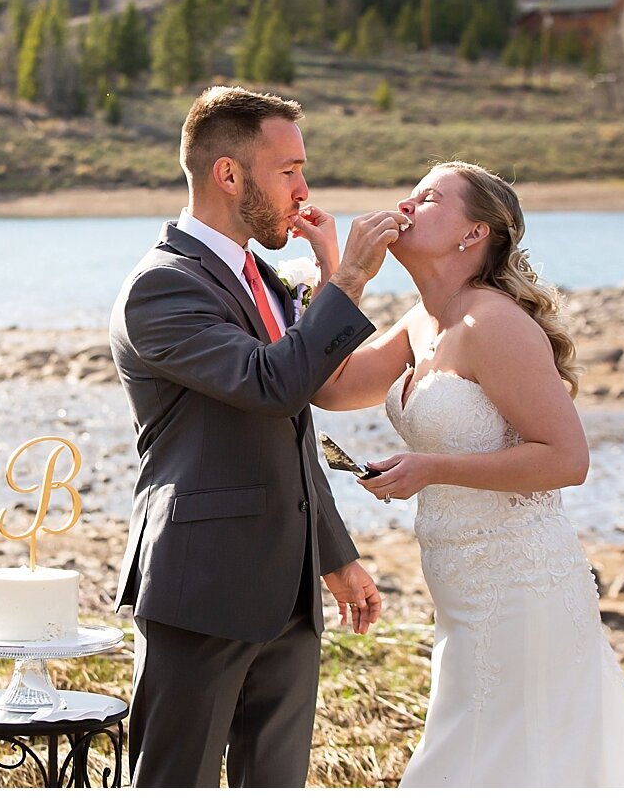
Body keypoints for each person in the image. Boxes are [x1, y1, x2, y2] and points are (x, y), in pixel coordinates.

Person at [312, 161, 624, 787]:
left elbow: (566, 458)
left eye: (427, 198)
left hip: (520, 586)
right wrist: (337, 269)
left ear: (472, 234)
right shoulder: (422, 322)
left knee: (498, 756)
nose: (405, 202)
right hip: (463, 589)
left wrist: (434, 468)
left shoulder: (492, 322)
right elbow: (329, 387)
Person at [108, 85, 402, 787]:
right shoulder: (162, 287)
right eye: (289, 170)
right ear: (229, 174)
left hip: (289, 592)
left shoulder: (262, 277)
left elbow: (291, 423)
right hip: (201, 585)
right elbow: (271, 380)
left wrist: (334, 555)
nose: (305, 189)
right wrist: (353, 276)